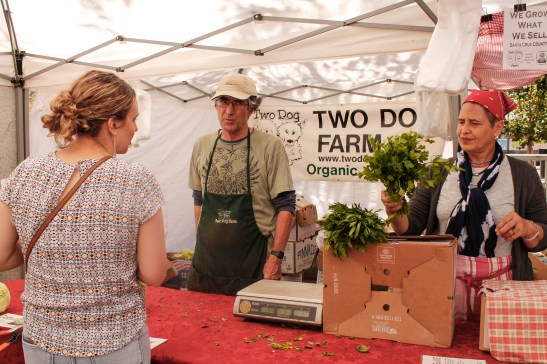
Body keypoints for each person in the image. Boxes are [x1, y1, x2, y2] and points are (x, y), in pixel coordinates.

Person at [0, 70, 172, 363]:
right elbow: (154, 273)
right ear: (113, 123)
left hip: (42, 340)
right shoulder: (135, 180)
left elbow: (2, 257)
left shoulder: (26, 172)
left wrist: (50, 251)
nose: (136, 127)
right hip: (114, 340)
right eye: (133, 118)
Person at [381, 89, 547, 320]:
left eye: (474, 123)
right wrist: (395, 212)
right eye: (461, 122)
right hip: (444, 283)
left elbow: (542, 235)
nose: (464, 130)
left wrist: (528, 227)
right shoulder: (437, 171)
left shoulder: (523, 174)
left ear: (497, 128)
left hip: (503, 289)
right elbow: (411, 226)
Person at [187, 73, 296, 296]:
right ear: (217, 106)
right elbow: (199, 200)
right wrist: (202, 244)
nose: (229, 110)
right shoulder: (202, 145)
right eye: (223, 102)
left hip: (253, 264)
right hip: (206, 266)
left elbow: (286, 206)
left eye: (238, 103)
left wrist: (276, 257)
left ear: (251, 108)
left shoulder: (269, 147)